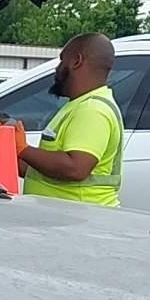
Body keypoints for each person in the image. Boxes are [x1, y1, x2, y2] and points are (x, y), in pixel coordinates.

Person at [15, 32, 123, 206]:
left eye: (62, 60)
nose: (57, 68)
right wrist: (3, 148)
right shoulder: (78, 105)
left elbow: (75, 168)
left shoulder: (92, 109)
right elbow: (46, 171)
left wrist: (23, 149)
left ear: (76, 61)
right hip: (68, 218)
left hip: (82, 220)